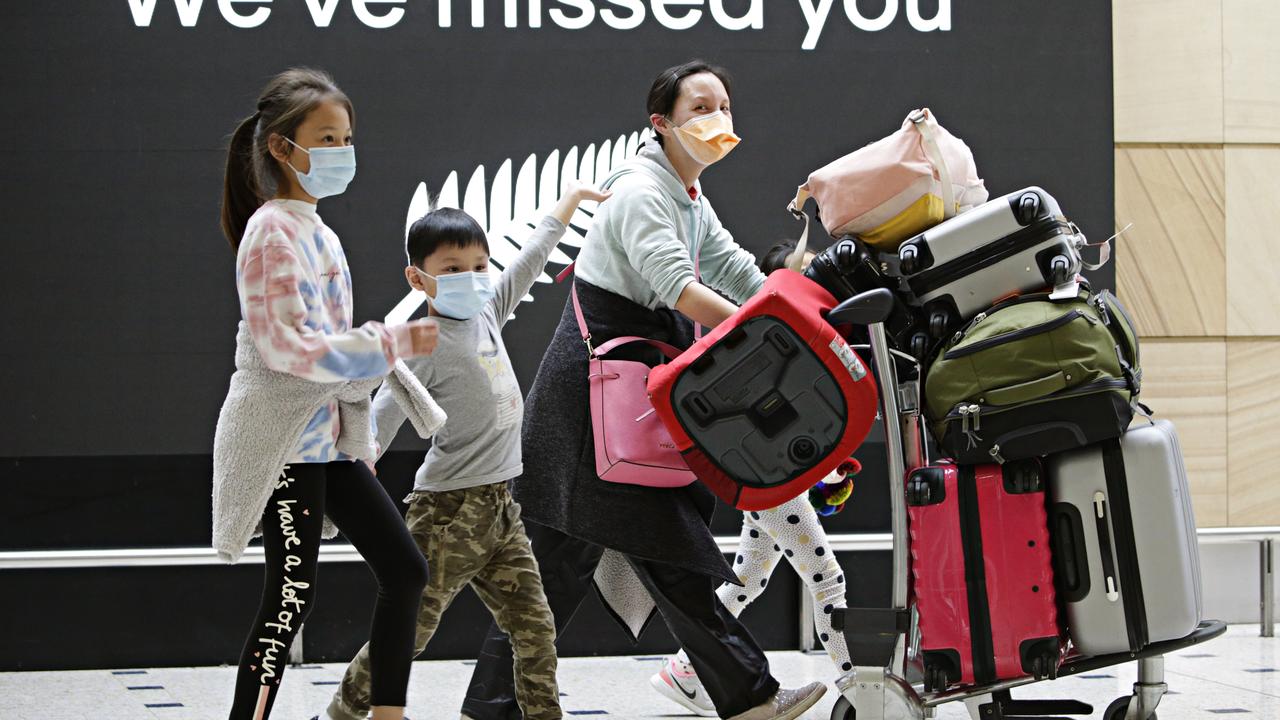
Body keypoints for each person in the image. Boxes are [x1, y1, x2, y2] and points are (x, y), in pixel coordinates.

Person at [461, 60, 826, 720]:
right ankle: (749, 695)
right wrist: (772, 331)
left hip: (614, 402)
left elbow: (736, 269)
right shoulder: (640, 191)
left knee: (582, 568)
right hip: (592, 410)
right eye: (700, 110)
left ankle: (494, 705)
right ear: (660, 124)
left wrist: (799, 318)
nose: (718, 120)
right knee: (656, 553)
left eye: (724, 107)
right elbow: (679, 289)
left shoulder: (684, 193)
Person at [321, 181, 611, 720]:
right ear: (418, 277)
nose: (472, 278)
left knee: (535, 628)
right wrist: (355, 463)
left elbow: (530, 259)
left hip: (504, 509)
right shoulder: (422, 340)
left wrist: (568, 204)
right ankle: (342, 713)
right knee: (409, 632)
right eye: (453, 269)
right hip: (448, 514)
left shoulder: (486, 313)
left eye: (479, 265)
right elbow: (382, 412)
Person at [212, 67, 437, 720]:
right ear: (283, 148)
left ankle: (387, 715)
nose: (342, 152)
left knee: (405, 570)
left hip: (325, 444)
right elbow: (289, 349)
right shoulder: (269, 232)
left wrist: (368, 375)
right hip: (284, 444)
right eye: (327, 139)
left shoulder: (319, 231)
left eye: (347, 138)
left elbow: (334, 349)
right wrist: (382, 346)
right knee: (290, 596)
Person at [649, 239, 854, 717]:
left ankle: (684, 669)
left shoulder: (783, 342)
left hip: (766, 479)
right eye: (798, 272)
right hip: (764, 480)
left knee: (747, 577)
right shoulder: (760, 343)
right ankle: (857, 679)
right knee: (827, 577)